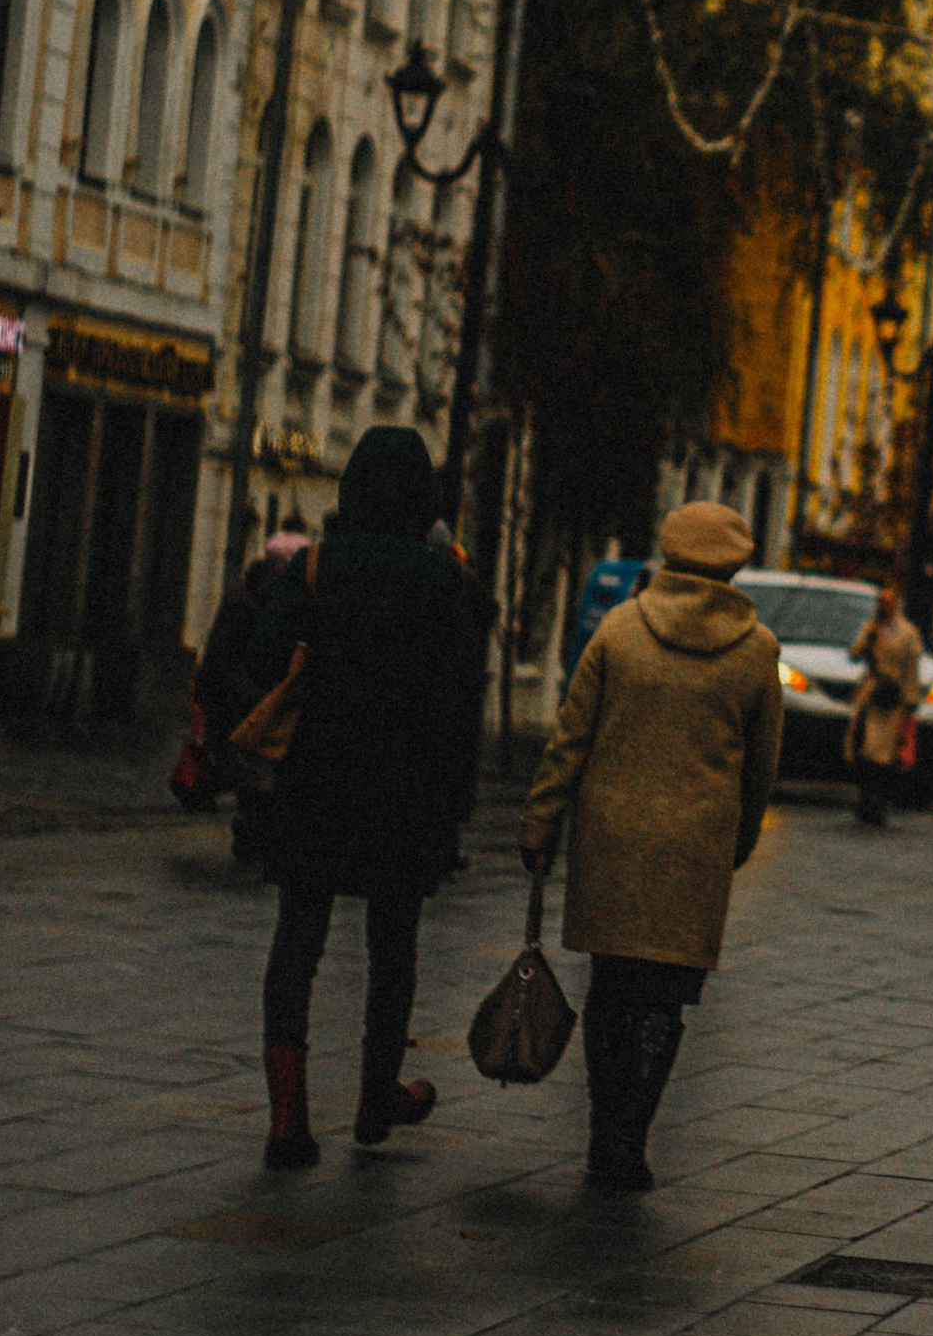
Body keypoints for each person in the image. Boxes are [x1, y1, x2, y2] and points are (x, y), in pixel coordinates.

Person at [241, 428, 487, 1169]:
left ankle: (288, 1118)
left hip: (315, 782)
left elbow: (262, 663)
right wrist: (455, 806)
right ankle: (377, 1097)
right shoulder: (447, 580)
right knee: (392, 949)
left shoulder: (315, 569)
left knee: (297, 945)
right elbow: (460, 705)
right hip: (404, 793)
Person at [519, 500, 783, 1192]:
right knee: (664, 1000)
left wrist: (541, 821)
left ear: (667, 553)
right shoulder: (757, 651)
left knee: (610, 989)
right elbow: (761, 765)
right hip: (694, 848)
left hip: (614, 840)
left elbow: (570, 738)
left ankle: (603, 1128)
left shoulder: (621, 628)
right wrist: (740, 838)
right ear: (736, 564)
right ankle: (630, 1136)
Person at [193, 532, 308, 868]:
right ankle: (261, 833)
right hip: (269, 702)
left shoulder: (241, 595)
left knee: (249, 773)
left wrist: (206, 695)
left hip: (238, 701)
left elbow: (217, 654)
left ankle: (251, 832)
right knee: (267, 773)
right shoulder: (294, 604)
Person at [846, 576, 923, 827]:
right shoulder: (872, 628)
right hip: (871, 693)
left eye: (889, 602)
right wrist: (870, 636)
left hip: (892, 699)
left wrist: (910, 702)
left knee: (884, 753)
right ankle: (865, 798)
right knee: (864, 747)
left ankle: (878, 800)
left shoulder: (908, 634)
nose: (885, 607)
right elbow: (855, 653)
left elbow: (911, 669)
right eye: (882, 602)